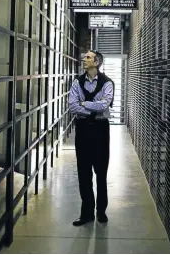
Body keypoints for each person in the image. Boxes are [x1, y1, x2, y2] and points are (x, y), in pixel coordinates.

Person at [69, 50, 114, 226]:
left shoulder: (107, 83)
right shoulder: (76, 82)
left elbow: (105, 104)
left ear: (96, 62)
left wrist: (84, 104)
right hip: (82, 130)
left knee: (101, 172)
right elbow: (72, 106)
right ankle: (87, 213)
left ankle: (101, 211)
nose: (84, 59)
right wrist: (92, 109)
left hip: (101, 130)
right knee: (83, 173)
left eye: (88, 57)